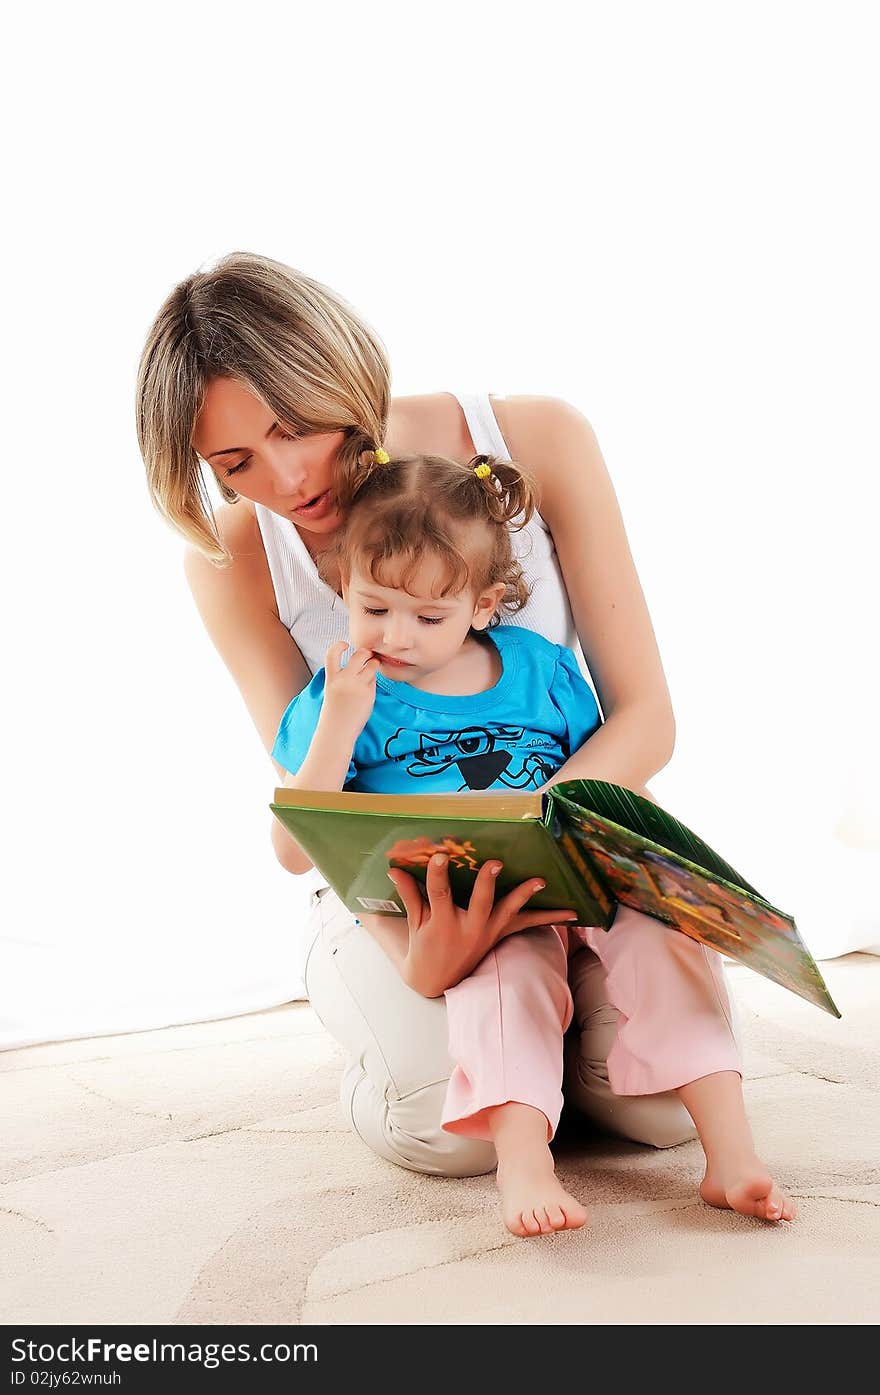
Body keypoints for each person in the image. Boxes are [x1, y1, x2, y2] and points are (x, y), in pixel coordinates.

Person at [136, 250, 794, 1229]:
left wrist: (540, 829)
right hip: (408, 891)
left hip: (572, 835)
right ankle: (495, 1049)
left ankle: (555, 1042)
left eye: (295, 428)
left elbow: (644, 719)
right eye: (233, 463)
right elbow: (315, 816)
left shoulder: (532, 437)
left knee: (657, 1116)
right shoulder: (234, 552)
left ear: (343, 374)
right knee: (442, 1134)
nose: (283, 478)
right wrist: (417, 954)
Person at [268, 447, 795, 1235]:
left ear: (483, 606)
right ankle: (524, 1162)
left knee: (664, 940)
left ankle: (732, 1153)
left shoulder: (539, 670)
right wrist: (340, 720)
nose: (397, 635)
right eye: (373, 607)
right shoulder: (343, 694)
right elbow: (292, 848)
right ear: (342, 587)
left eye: (429, 615)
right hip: (470, 906)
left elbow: (604, 782)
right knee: (505, 974)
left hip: (575, 874)